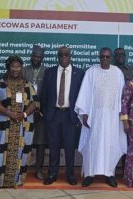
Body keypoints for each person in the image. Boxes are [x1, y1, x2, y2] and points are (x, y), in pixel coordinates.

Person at [75, 47, 127, 187]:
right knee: (92, 144)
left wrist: (121, 115)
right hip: (94, 117)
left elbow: (122, 96)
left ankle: (109, 174)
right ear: (99, 57)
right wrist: (84, 113)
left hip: (112, 118)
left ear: (111, 58)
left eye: (107, 57)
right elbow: (84, 92)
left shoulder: (117, 73)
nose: (104, 59)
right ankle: (89, 174)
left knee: (111, 144)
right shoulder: (91, 72)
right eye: (102, 57)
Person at [0, 55, 39, 189]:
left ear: (21, 68)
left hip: (24, 125)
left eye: (18, 66)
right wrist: (9, 113)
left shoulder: (28, 85)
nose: (16, 69)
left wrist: (23, 114)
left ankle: (16, 180)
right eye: (13, 66)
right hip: (3, 124)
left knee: (21, 153)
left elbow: (35, 102)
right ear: (8, 68)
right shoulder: (0, 84)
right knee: (0, 152)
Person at [41, 46, 84, 185]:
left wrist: (79, 116)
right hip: (53, 115)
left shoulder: (79, 73)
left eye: (66, 55)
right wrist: (46, 113)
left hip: (70, 116)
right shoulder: (49, 72)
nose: (63, 57)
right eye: (61, 55)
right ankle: (52, 173)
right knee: (53, 147)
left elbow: (82, 96)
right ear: (57, 56)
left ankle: (70, 174)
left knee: (70, 147)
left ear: (70, 56)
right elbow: (44, 95)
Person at [22, 46, 46, 180]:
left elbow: (48, 93)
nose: (36, 58)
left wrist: (39, 109)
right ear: (31, 56)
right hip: (25, 112)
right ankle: (22, 168)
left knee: (41, 142)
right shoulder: (24, 70)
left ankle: (39, 169)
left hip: (41, 113)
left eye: (38, 56)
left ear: (42, 58)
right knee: (24, 140)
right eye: (34, 56)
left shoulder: (47, 71)